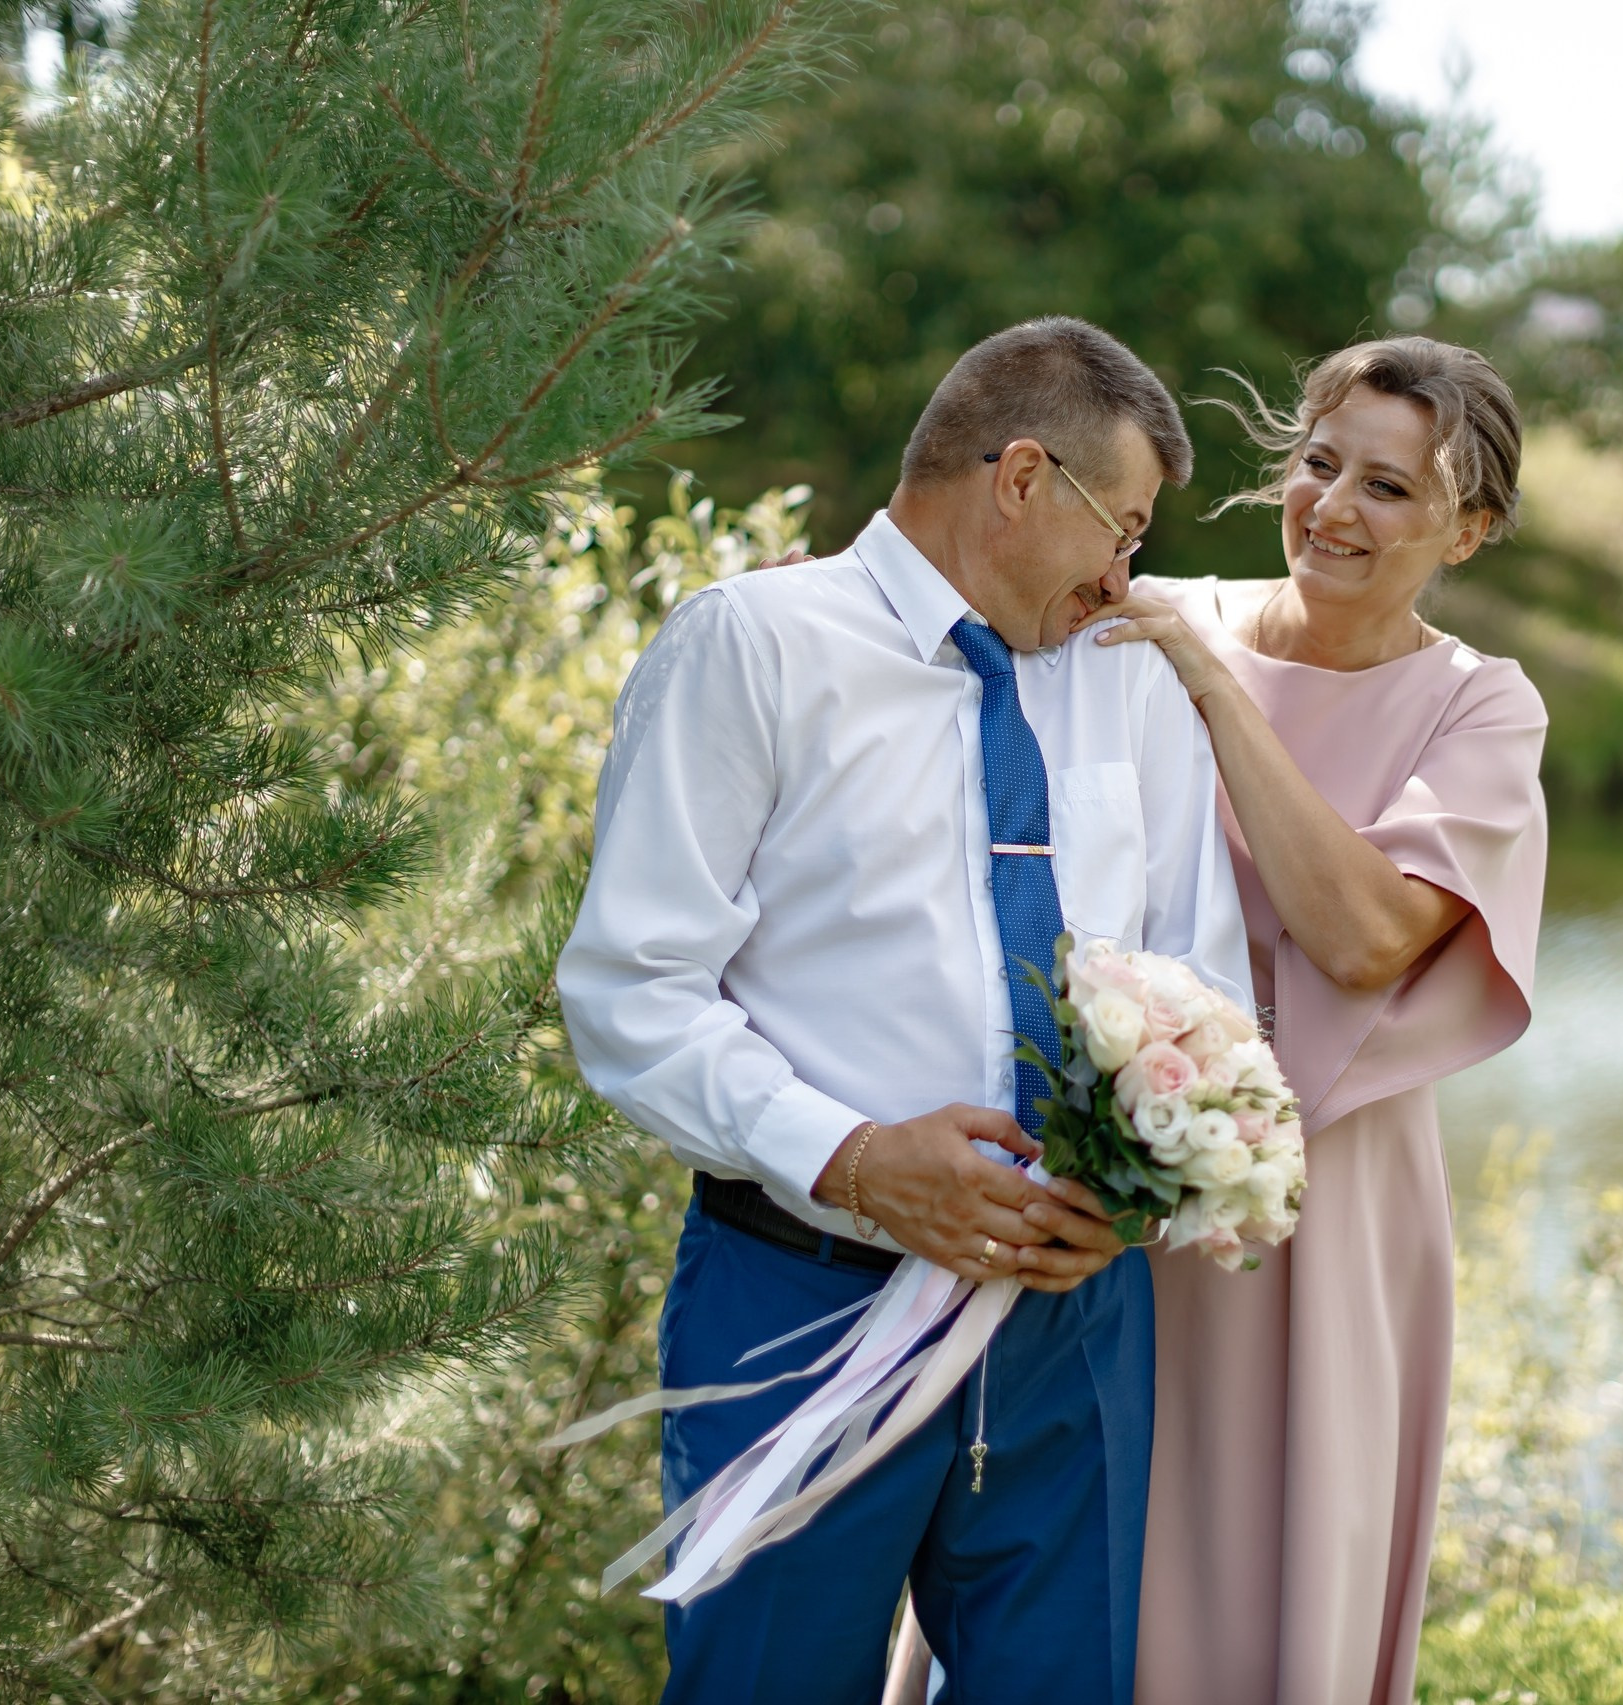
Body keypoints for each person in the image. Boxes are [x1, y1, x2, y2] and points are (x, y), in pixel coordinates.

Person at [555, 317, 1252, 1705]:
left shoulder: (1133, 674)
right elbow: (632, 992)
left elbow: (1204, 972)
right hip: (800, 1299)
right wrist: (861, 1159)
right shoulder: (750, 647)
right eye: (1117, 524)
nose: (1128, 571)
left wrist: (1148, 1182)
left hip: (1074, 1324)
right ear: (1020, 479)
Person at [1097, 337, 1549, 1705]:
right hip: (1110, 1168)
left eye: (1391, 489)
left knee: (1284, 1574)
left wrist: (1216, 680)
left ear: (1467, 529)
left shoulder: (1480, 705)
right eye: (1318, 462)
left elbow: (1358, 938)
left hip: (1335, 1204)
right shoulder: (1148, 616)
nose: (1332, 507)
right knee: (1089, 1542)